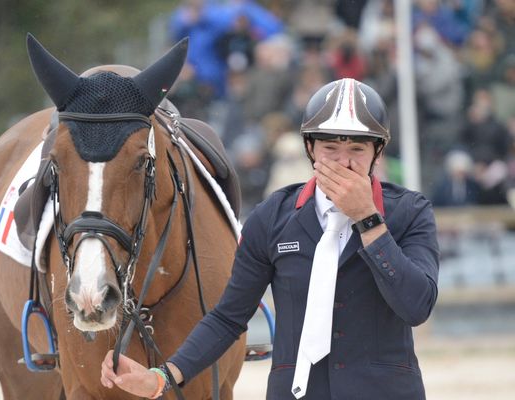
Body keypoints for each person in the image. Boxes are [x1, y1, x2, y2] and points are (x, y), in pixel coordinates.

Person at [100, 78, 440, 399]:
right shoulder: (273, 216)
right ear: (310, 147)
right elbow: (229, 316)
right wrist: (164, 376)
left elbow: (416, 306)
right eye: (330, 147)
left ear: (377, 153)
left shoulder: (411, 211)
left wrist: (368, 219)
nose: (343, 162)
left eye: (357, 148)